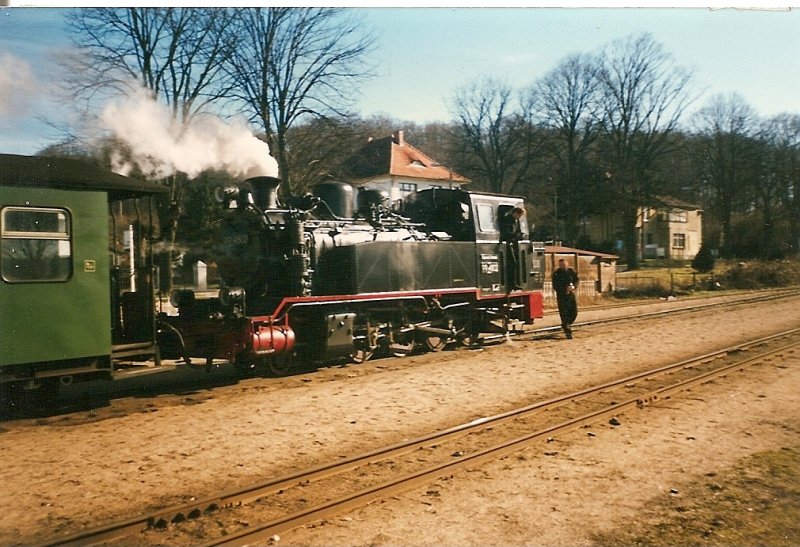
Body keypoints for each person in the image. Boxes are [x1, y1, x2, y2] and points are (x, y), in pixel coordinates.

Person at [552, 258, 579, 338]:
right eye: (561, 265)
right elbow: (555, 285)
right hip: (562, 296)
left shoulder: (571, 271)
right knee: (564, 314)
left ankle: (566, 324)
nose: (562, 266)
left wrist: (573, 286)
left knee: (574, 312)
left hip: (571, 294)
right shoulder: (557, 273)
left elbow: (577, 280)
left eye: (564, 265)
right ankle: (568, 331)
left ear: (567, 264)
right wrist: (564, 289)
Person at [500, 206, 525, 290]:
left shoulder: (516, 221)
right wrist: (515, 235)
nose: (519, 217)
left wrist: (520, 235)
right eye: (519, 215)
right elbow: (506, 232)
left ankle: (514, 283)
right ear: (515, 213)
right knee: (512, 263)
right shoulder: (507, 220)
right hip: (507, 243)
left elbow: (517, 230)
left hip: (513, 242)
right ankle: (511, 284)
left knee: (515, 263)